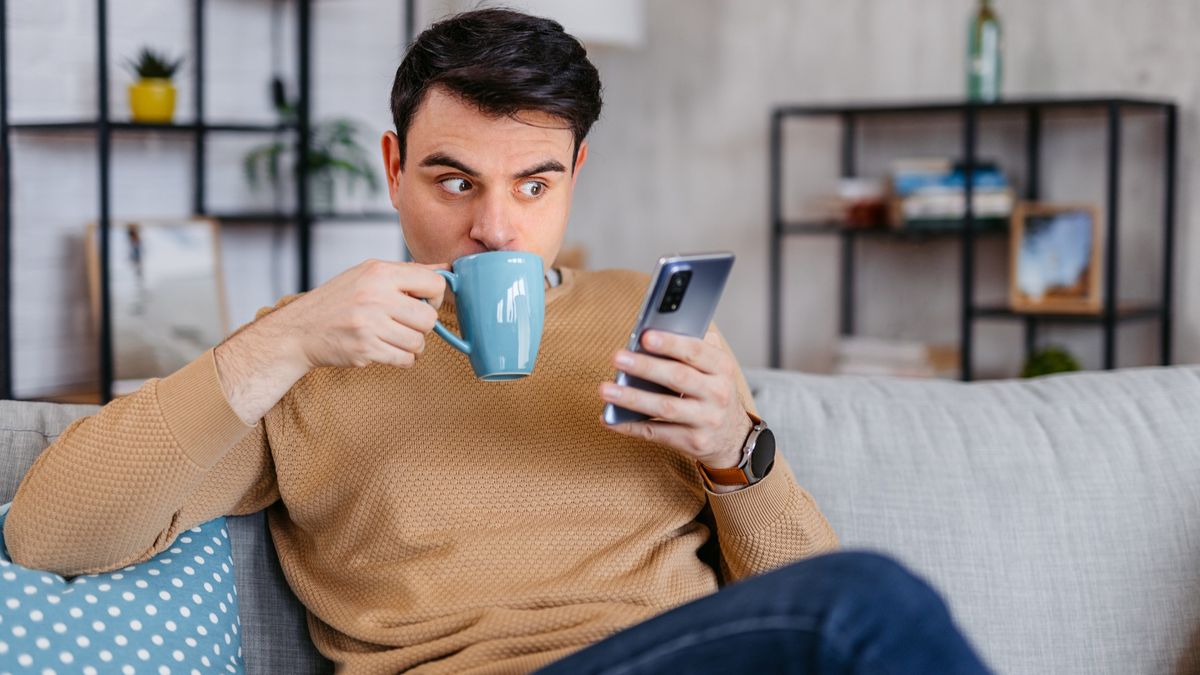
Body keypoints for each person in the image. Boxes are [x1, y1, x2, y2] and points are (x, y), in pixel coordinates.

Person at [6, 9, 991, 674]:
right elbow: (50, 534)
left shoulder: (640, 314)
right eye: (454, 180)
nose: (496, 231)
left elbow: (790, 600)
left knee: (853, 602)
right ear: (393, 169)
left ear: (575, 173)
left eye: (535, 184)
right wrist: (284, 342)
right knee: (867, 595)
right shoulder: (309, 355)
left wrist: (739, 456)